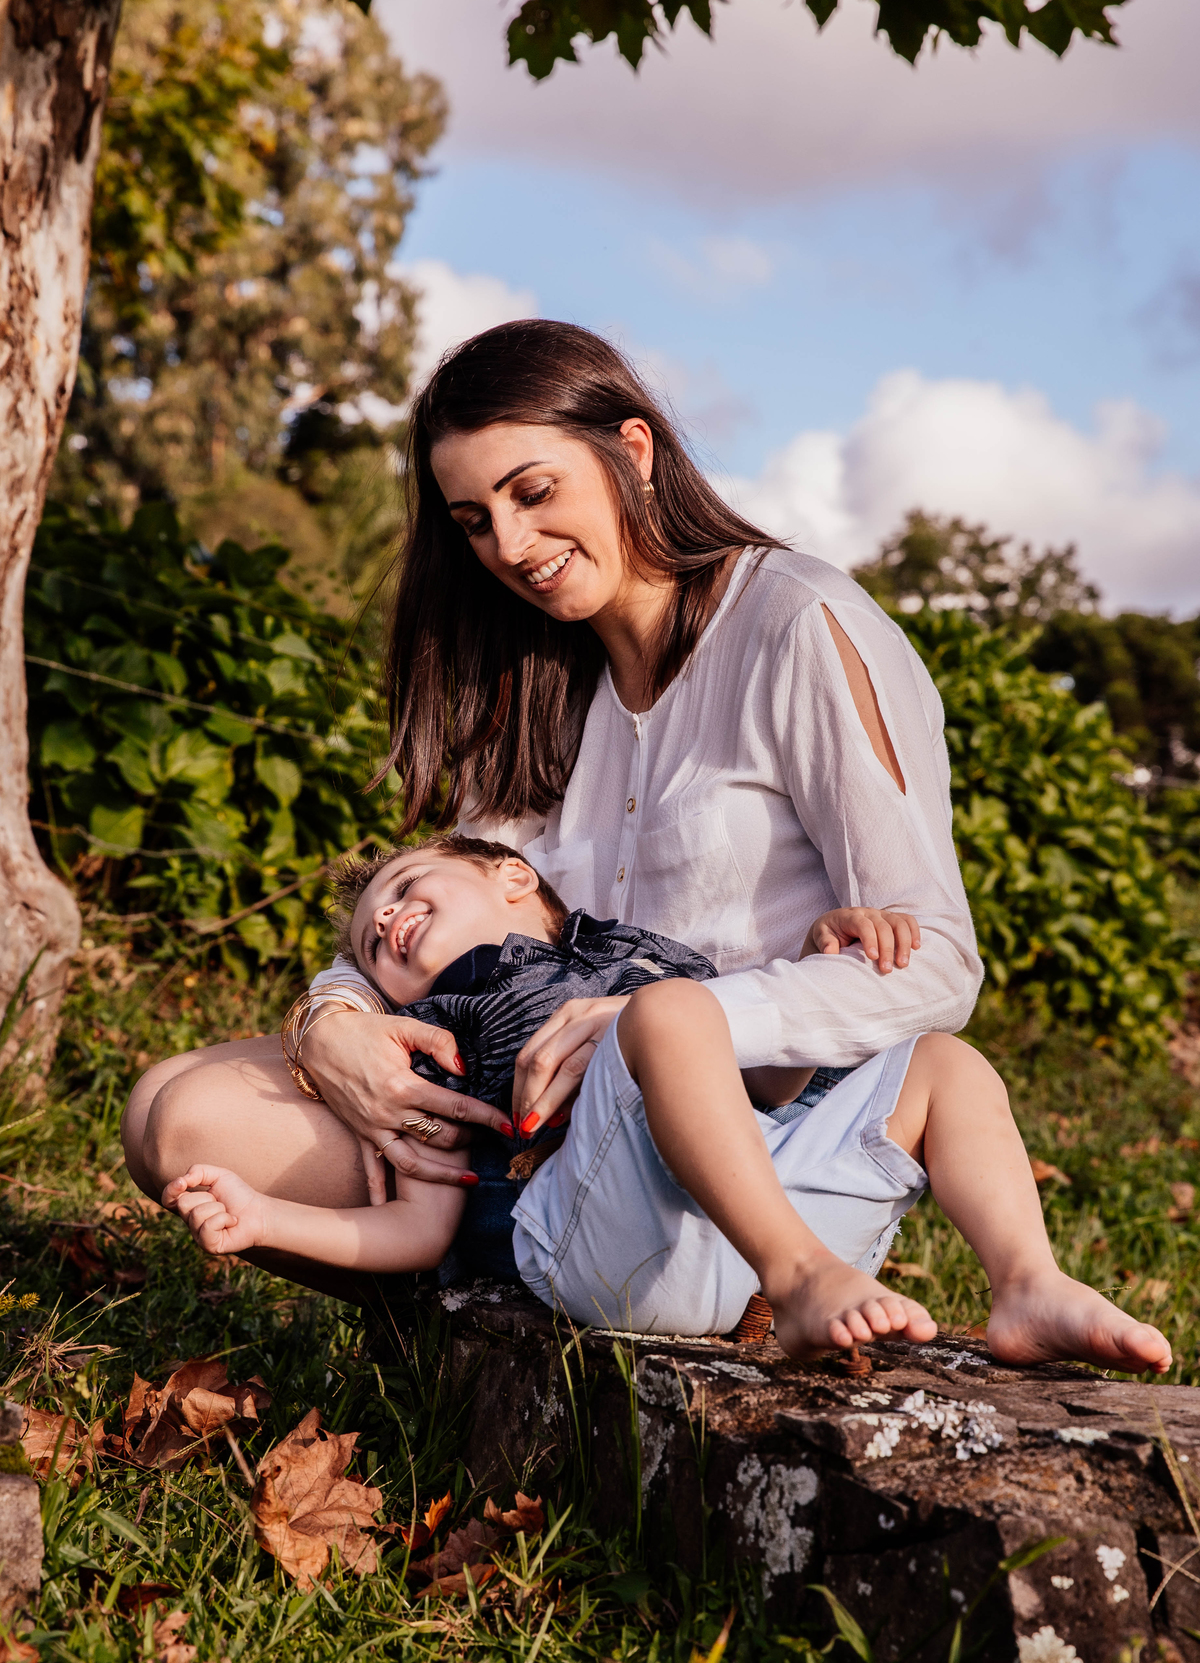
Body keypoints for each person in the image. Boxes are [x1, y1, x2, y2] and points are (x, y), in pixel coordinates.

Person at [126, 318, 1169, 1372]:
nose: (512, 547)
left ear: (633, 450)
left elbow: (937, 961)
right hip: (538, 1139)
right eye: (475, 521)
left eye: (535, 494)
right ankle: (455, 1333)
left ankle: (844, 1278)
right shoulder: (535, 678)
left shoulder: (798, 625)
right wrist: (334, 1019)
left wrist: (685, 1020)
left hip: (760, 1133)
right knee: (176, 1117)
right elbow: (460, 892)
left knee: (902, 1061)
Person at [164, 835, 1169, 1370]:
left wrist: (825, 964)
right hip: (599, 1246)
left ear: (512, 875)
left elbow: (772, 1078)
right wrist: (268, 1219)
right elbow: (420, 1228)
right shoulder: (445, 1029)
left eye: (408, 883)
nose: (384, 917)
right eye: (373, 934)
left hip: (741, 1209)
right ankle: (806, 1281)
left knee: (942, 1060)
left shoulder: (642, 957)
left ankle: (1028, 1283)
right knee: (672, 1015)